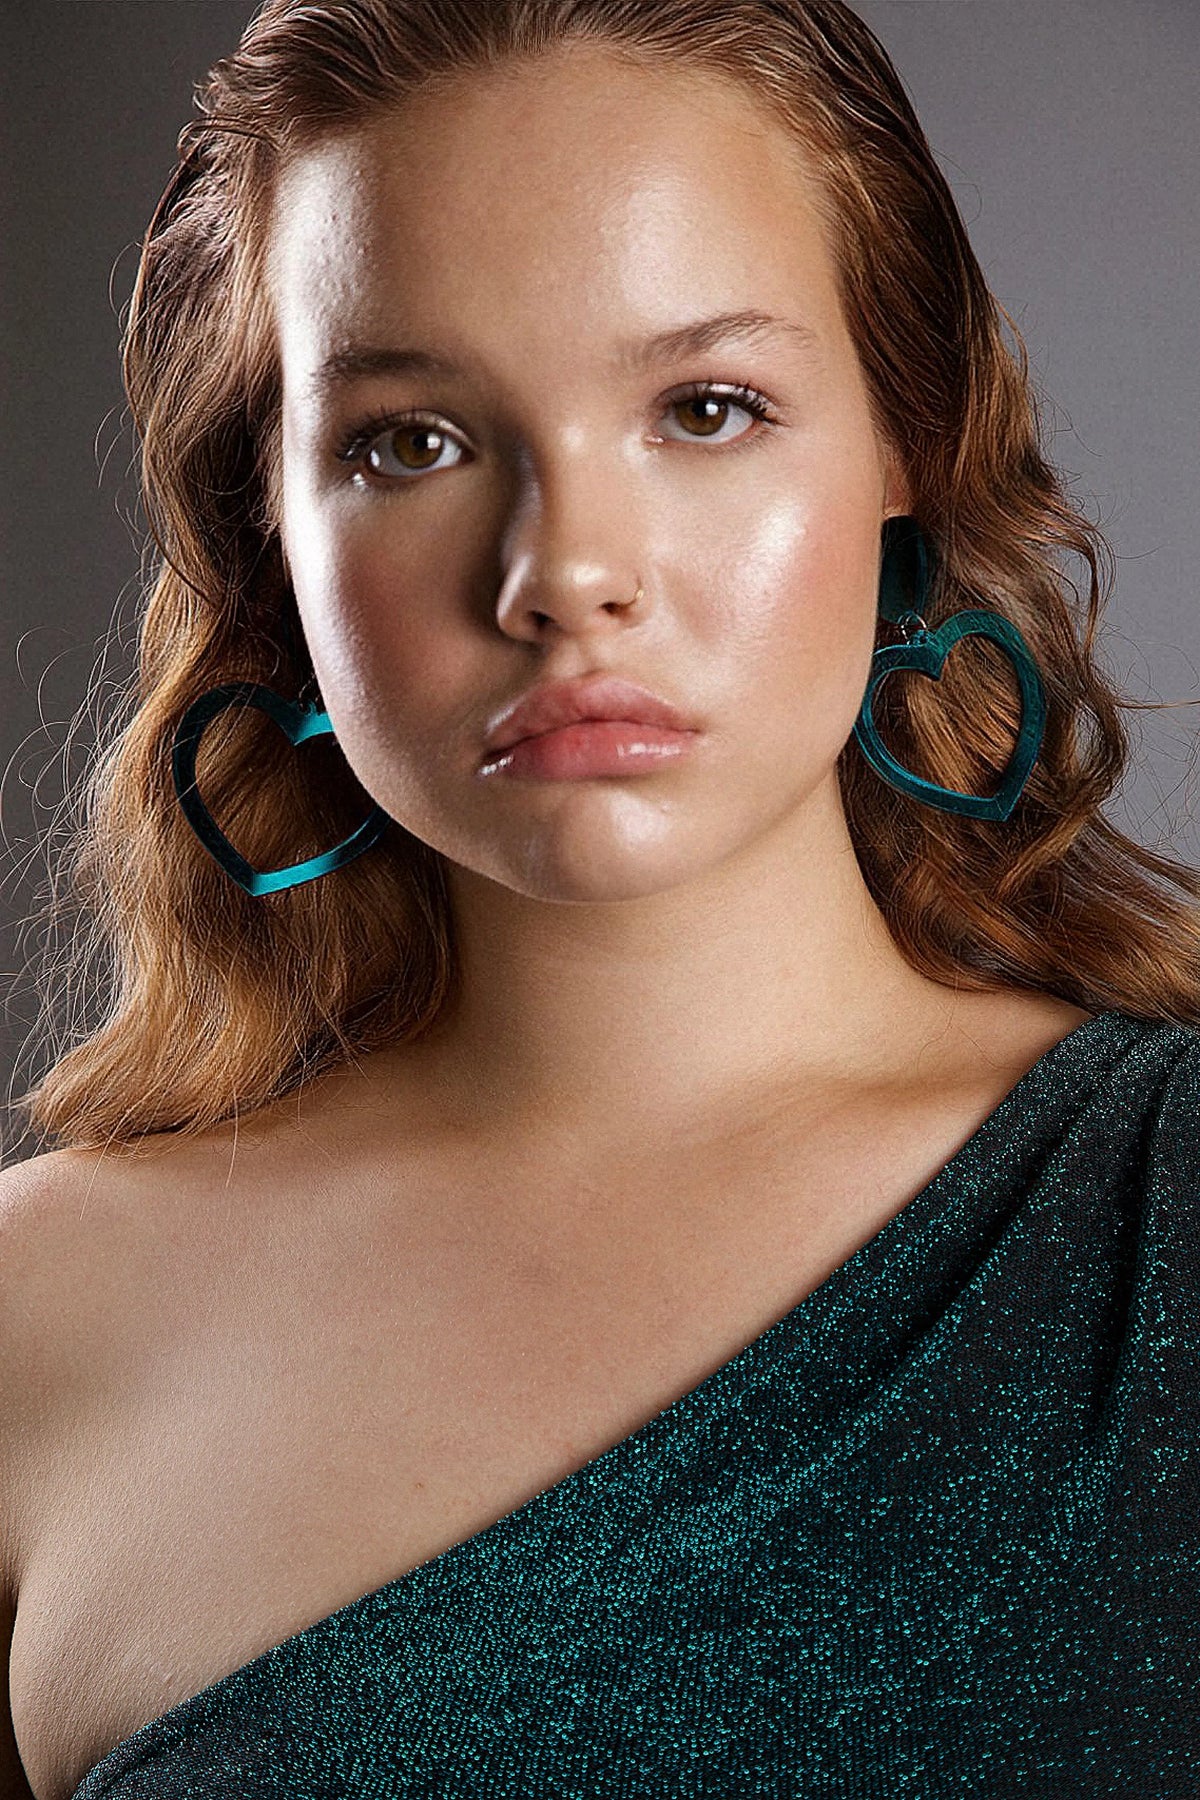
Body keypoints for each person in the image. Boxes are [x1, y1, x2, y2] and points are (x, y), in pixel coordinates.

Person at [2, 1, 1198, 1794]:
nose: (564, 573)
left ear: (910, 448)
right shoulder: (33, 1326)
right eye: (411, 441)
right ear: (271, 531)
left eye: (706, 410)